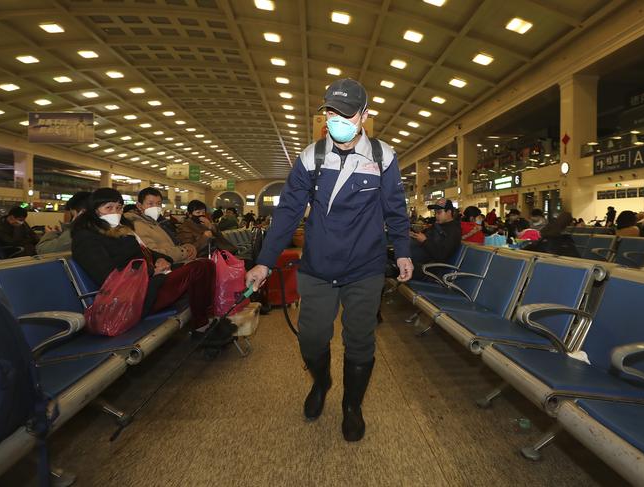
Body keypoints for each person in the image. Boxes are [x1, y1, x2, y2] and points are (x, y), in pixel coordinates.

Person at [245, 78, 413, 442]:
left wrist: (402, 251)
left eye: (345, 113)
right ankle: (321, 383)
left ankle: (352, 406)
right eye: (331, 112)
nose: (335, 119)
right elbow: (288, 212)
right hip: (318, 268)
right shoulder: (311, 156)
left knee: (360, 341)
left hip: (364, 269)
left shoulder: (383, 157)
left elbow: (395, 210)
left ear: (364, 116)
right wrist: (264, 261)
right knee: (312, 338)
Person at [71, 188, 235, 341]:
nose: (115, 212)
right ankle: (202, 327)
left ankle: (204, 323)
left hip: (148, 283)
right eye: (109, 208)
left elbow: (145, 251)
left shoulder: (122, 230)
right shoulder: (86, 238)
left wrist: (162, 259)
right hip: (131, 297)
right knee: (198, 268)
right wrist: (151, 272)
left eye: (119, 208)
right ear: (94, 210)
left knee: (205, 264)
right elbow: (107, 276)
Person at [124, 187, 197, 264]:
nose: (155, 207)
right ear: (139, 206)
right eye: (150, 204)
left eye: (158, 203)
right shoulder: (137, 225)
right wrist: (183, 251)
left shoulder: (154, 222)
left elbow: (172, 243)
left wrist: (187, 247)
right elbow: (153, 254)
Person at [409, 198, 462, 279]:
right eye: (435, 213)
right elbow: (425, 236)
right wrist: (415, 235)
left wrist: (424, 241)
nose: (436, 215)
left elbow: (441, 255)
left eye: (439, 212)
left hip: (429, 269)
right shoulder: (438, 225)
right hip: (420, 261)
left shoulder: (453, 231)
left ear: (449, 212)